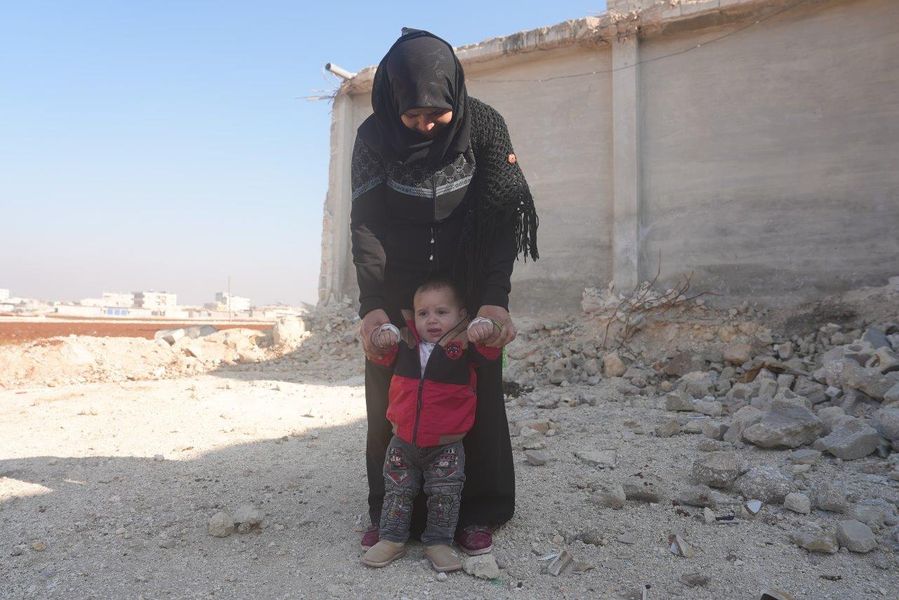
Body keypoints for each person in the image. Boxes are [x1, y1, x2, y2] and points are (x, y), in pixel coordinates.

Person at [350, 28, 538, 556]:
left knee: (474, 392)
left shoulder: (486, 126)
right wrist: (374, 308)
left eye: (438, 112)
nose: (427, 124)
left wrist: (493, 299)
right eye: (414, 115)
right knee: (392, 397)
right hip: (401, 288)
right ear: (392, 101)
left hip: (469, 285)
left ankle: (479, 510)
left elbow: (504, 219)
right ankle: (391, 514)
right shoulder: (371, 138)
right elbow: (364, 224)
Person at [361, 278, 500, 571]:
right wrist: (381, 337)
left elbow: (490, 348)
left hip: (446, 446)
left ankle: (438, 542)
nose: (432, 320)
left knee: (445, 496)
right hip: (402, 442)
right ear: (414, 317)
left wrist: (487, 328)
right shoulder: (406, 344)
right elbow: (380, 354)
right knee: (397, 491)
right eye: (423, 313)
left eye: (441, 312)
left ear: (461, 315)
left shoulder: (463, 347)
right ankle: (391, 539)